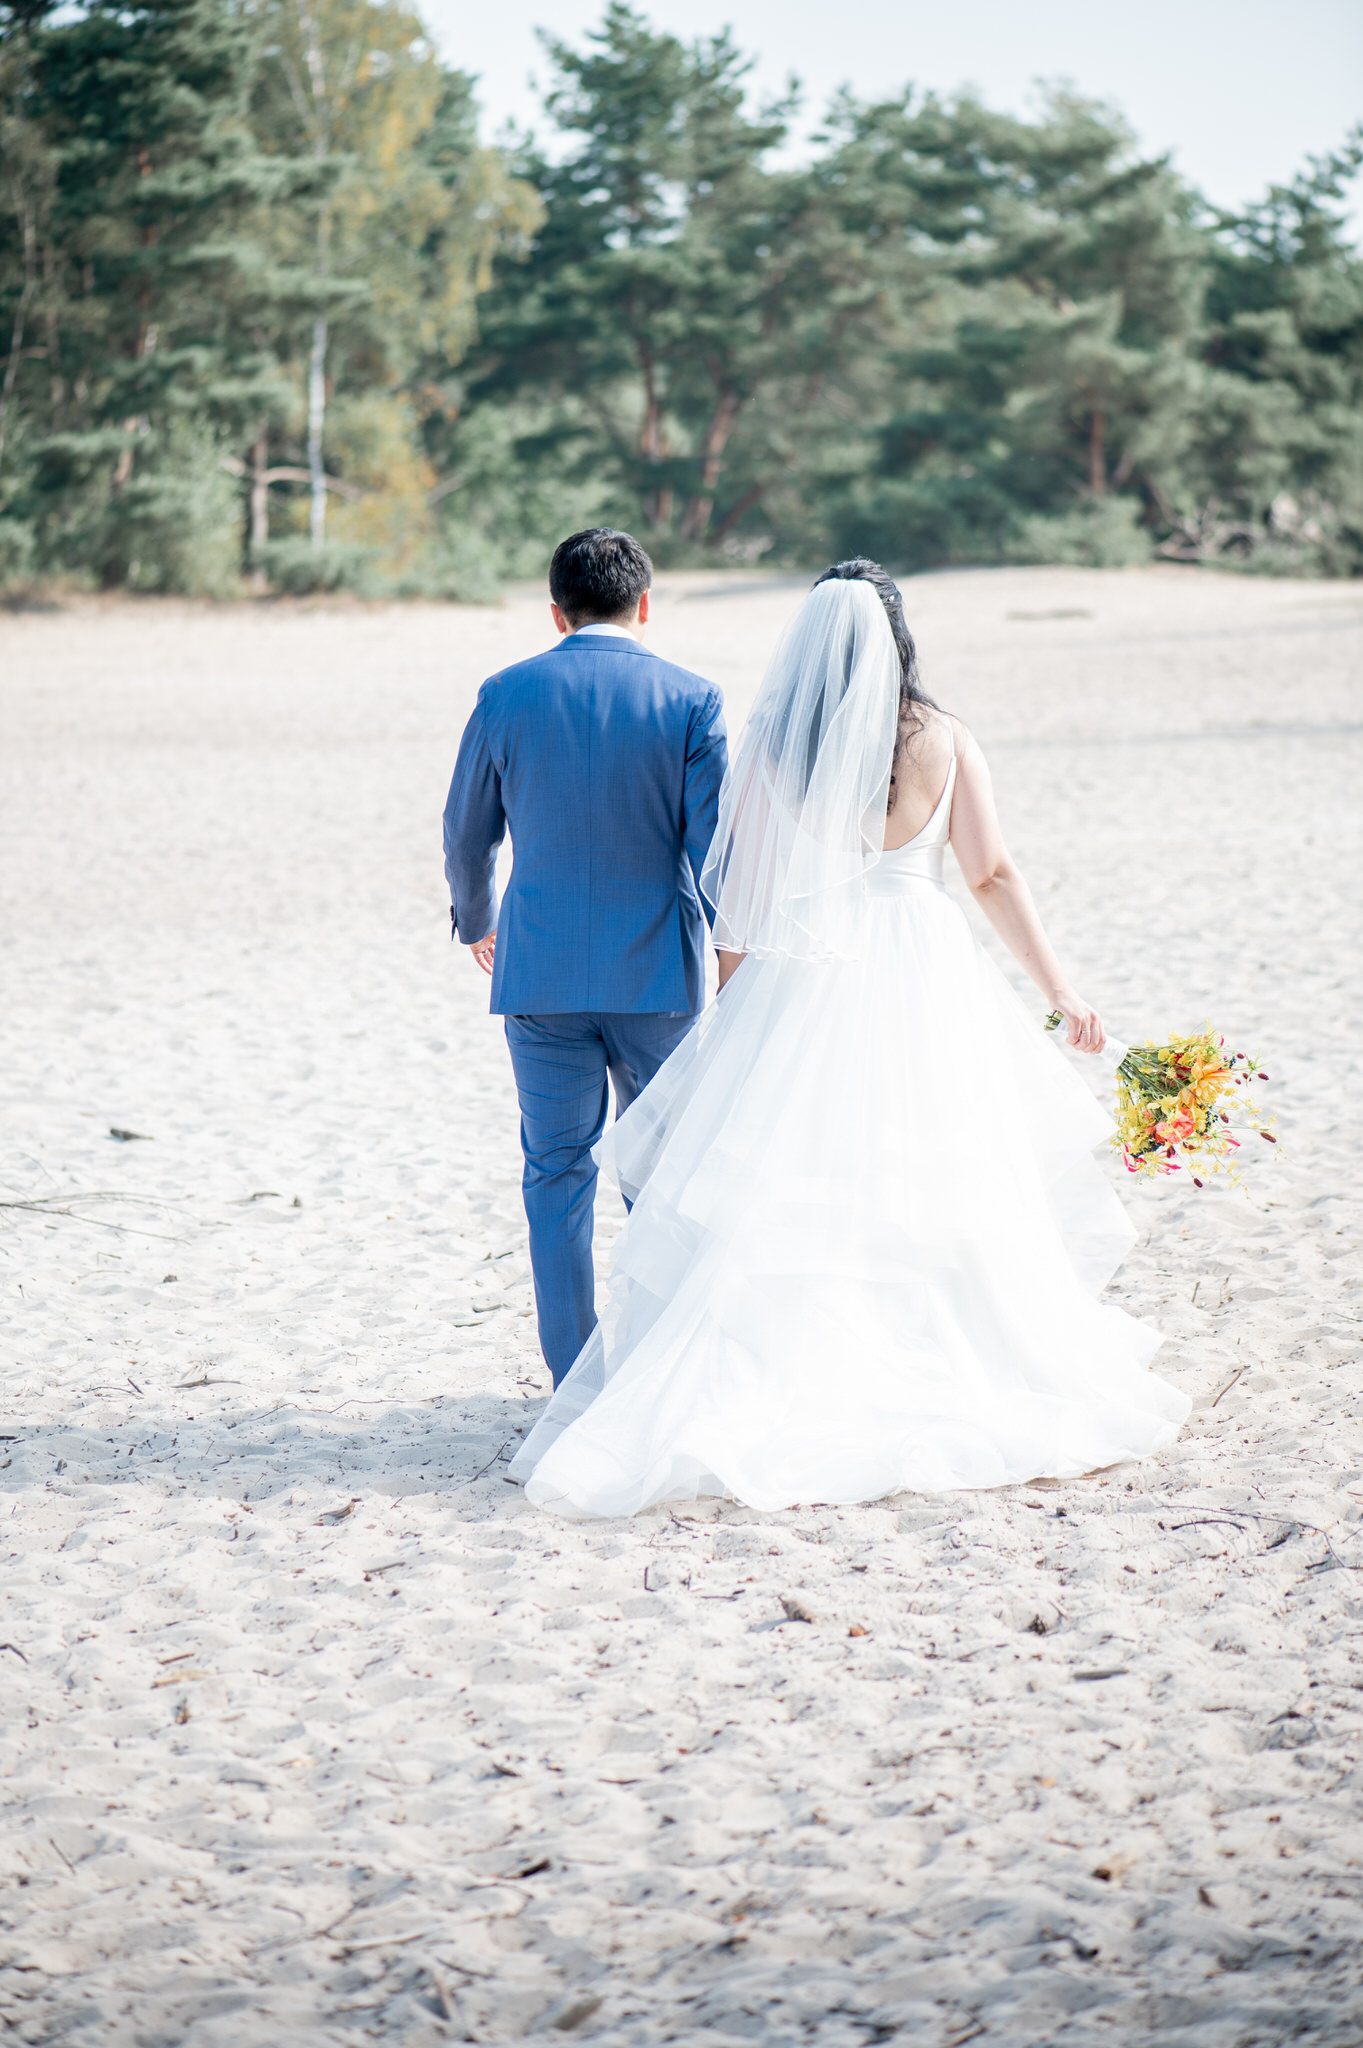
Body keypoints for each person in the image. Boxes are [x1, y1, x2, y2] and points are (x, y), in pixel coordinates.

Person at [509, 560, 1190, 1516]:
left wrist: (737, 1012)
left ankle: (810, 1359)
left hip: (807, 973)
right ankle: (940, 1352)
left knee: (806, 1174)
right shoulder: (946, 740)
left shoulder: (774, 747)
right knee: (943, 1166)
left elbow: (736, 898)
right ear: (899, 636)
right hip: (923, 966)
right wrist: (1059, 988)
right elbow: (991, 874)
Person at [443, 528, 728, 1388]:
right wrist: (733, 955)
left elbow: (465, 832)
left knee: (555, 1174)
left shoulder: (505, 692)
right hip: (660, 979)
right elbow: (716, 851)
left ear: (557, 613)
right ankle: (661, 1369)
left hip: (540, 970)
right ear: (646, 604)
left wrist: (475, 922)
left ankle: (574, 1379)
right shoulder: (692, 698)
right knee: (666, 1173)